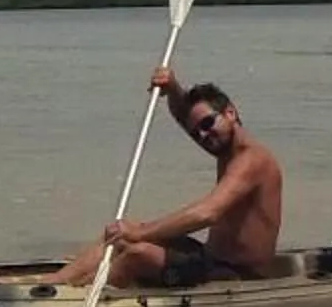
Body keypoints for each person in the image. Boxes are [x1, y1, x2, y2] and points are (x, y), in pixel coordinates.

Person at [47, 70, 283, 289]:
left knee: (138, 253)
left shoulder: (251, 159)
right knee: (118, 235)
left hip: (239, 275)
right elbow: (186, 116)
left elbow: (207, 213)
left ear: (230, 113)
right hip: (210, 259)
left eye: (208, 124)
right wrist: (172, 88)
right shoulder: (225, 148)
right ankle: (52, 284)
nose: (203, 134)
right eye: (196, 132)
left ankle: (78, 300)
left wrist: (141, 234)